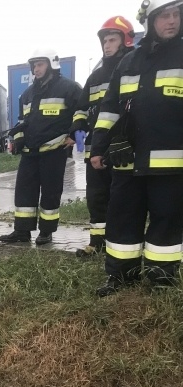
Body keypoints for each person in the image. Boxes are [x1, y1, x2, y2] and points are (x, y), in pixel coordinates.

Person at [90, 0, 183, 296]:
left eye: (176, 14)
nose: (172, 21)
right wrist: (100, 146)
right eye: (165, 16)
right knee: (122, 218)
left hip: (170, 164)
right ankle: (121, 277)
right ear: (150, 22)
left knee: (166, 220)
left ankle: (161, 279)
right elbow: (110, 108)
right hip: (126, 160)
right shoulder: (129, 62)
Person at [0, 50, 83, 245]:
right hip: (30, 152)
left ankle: (46, 232)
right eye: (34, 65)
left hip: (54, 150)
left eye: (40, 64)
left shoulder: (69, 88)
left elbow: (82, 113)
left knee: (50, 192)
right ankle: (22, 231)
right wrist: (18, 139)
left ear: (52, 64)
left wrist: (77, 138)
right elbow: (22, 121)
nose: (36, 69)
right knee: (24, 191)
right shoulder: (27, 94)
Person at [69, 17, 136, 258]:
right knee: (96, 198)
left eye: (112, 40)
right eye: (105, 41)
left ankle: (120, 245)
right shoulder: (95, 77)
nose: (107, 45)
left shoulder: (133, 68)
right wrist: (78, 125)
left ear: (126, 40)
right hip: (94, 150)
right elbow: (81, 107)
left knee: (122, 200)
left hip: (123, 149)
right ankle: (97, 243)